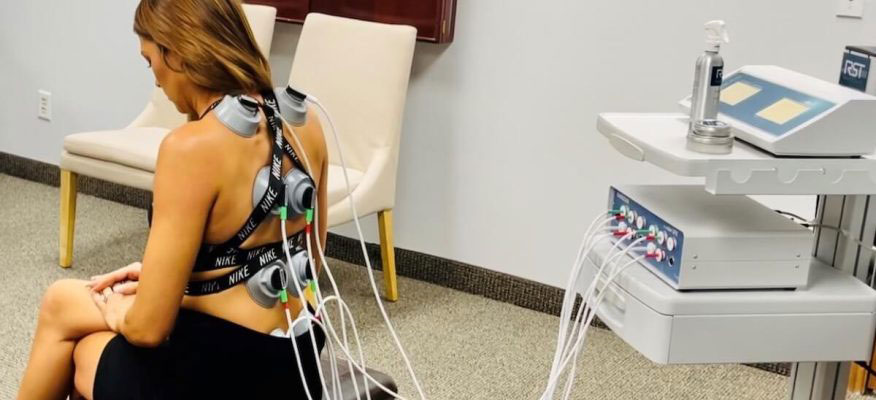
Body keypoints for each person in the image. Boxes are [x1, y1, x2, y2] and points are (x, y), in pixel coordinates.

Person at [17, 0, 329, 398]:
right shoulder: (308, 124)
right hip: (297, 363)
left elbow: (149, 329)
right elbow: (312, 258)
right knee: (78, 313)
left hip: (230, 373)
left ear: (177, 53)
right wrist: (166, 278)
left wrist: (122, 312)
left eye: (151, 62)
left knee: (70, 320)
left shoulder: (191, 148)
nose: (157, 82)